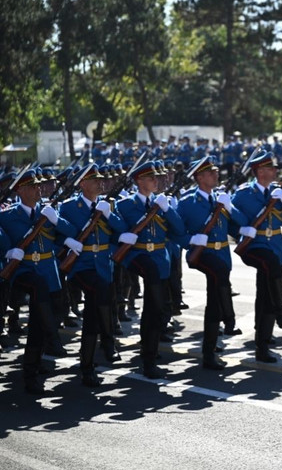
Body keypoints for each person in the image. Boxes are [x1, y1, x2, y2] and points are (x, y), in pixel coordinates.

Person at [0, 170, 76, 394]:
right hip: (22, 271)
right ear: (20, 190)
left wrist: (56, 219)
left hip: (48, 270)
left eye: (39, 186)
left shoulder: (48, 212)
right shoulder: (6, 216)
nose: (39, 189)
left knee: (42, 320)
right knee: (39, 292)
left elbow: (71, 232)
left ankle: (34, 365)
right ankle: (53, 340)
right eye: (33, 186)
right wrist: (8, 252)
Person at [58, 164, 128, 386]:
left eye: (100, 180)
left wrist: (109, 214)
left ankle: (100, 351)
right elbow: (56, 232)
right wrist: (67, 241)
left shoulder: (106, 205)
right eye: (94, 180)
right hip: (81, 266)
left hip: (102, 266)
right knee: (97, 301)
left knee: (100, 302)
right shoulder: (70, 207)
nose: (100, 183)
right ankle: (92, 359)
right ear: (82, 184)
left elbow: (122, 231)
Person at [114, 161, 185, 379]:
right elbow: (118, 231)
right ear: (139, 181)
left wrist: (167, 210)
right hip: (138, 256)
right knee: (154, 302)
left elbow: (179, 229)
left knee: (156, 308)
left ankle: (149, 353)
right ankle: (148, 359)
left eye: (157, 178)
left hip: (160, 258)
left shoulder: (163, 203)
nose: (157, 181)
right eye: (151, 178)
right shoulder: (126, 205)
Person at [232, 152, 282, 362]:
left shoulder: (278, 192)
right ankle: (280, 311)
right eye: (271, 168)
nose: (275, 171)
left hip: (275, 247)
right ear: (260, 171)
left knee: (265, 292)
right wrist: (242, 232)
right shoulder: (244, 194)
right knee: (270, 287)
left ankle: (263, 342)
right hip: (254, 247)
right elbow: (230, 219)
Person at [176, 157, 247, 370]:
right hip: (203, 255)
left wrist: (230, 208)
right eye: (211, 172)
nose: (216, 175)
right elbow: (176, 233)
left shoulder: (222, 199)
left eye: (216, 171)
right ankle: (230, 319)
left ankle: (210, 349)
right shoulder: (187, 203)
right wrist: (191, 241)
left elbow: (241, 223)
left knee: (214, 299)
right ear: (199, 177)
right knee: (219, 274)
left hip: (222, 254)